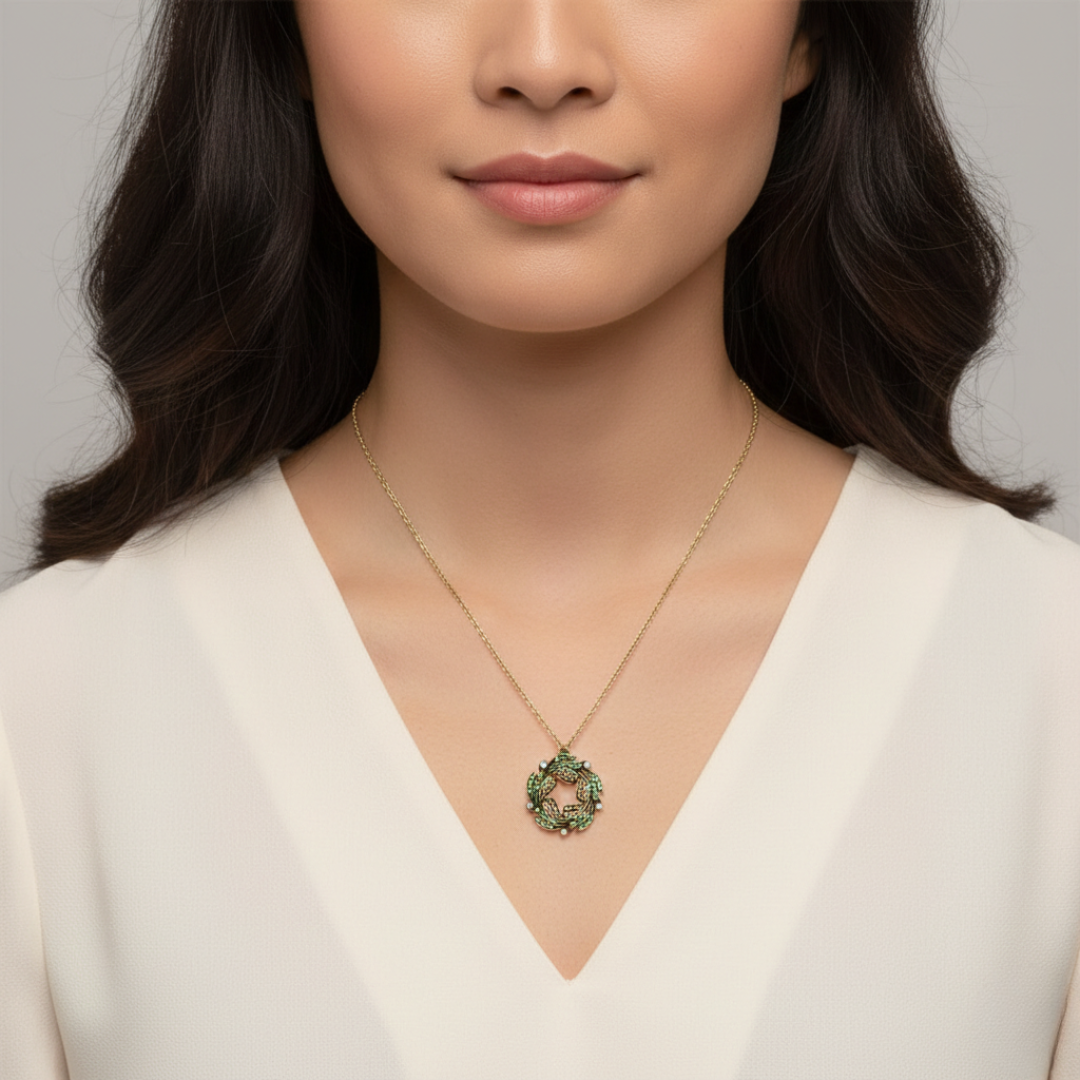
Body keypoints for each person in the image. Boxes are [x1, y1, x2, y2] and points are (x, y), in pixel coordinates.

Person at [1, 0, 1077, 1076]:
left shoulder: (1046, 676)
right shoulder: (44, 710)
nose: (546, 63)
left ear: (816, 32)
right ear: (282, 33)